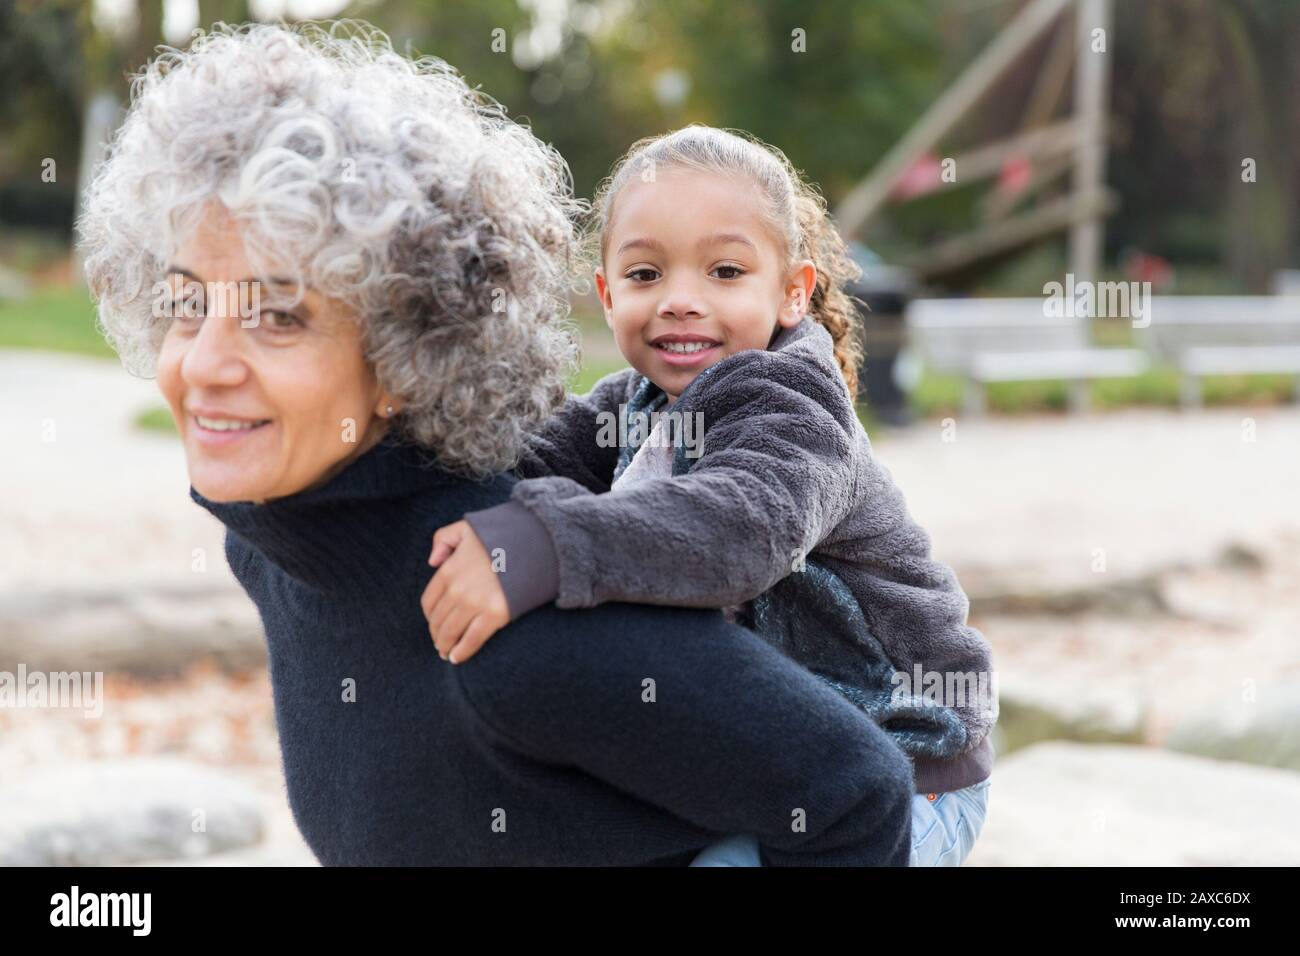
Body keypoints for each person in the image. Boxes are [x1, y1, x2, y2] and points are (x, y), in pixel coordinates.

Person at [76, 21, 916, 865]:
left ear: (411, 352)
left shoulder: (509, 620)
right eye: (189, 305)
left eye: (280, 316)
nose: (206, 363)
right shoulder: (268, 546)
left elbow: (856, 791)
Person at [420, 126, 998, 866]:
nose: (681, 301)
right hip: (770, 759)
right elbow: (519, 466)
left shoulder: (794, 404)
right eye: (644, 275)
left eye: (725, 272)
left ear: (793, 291)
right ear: (605, 294)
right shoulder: (632, 399)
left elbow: (740, 528)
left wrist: (547, 543)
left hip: (905, 767)